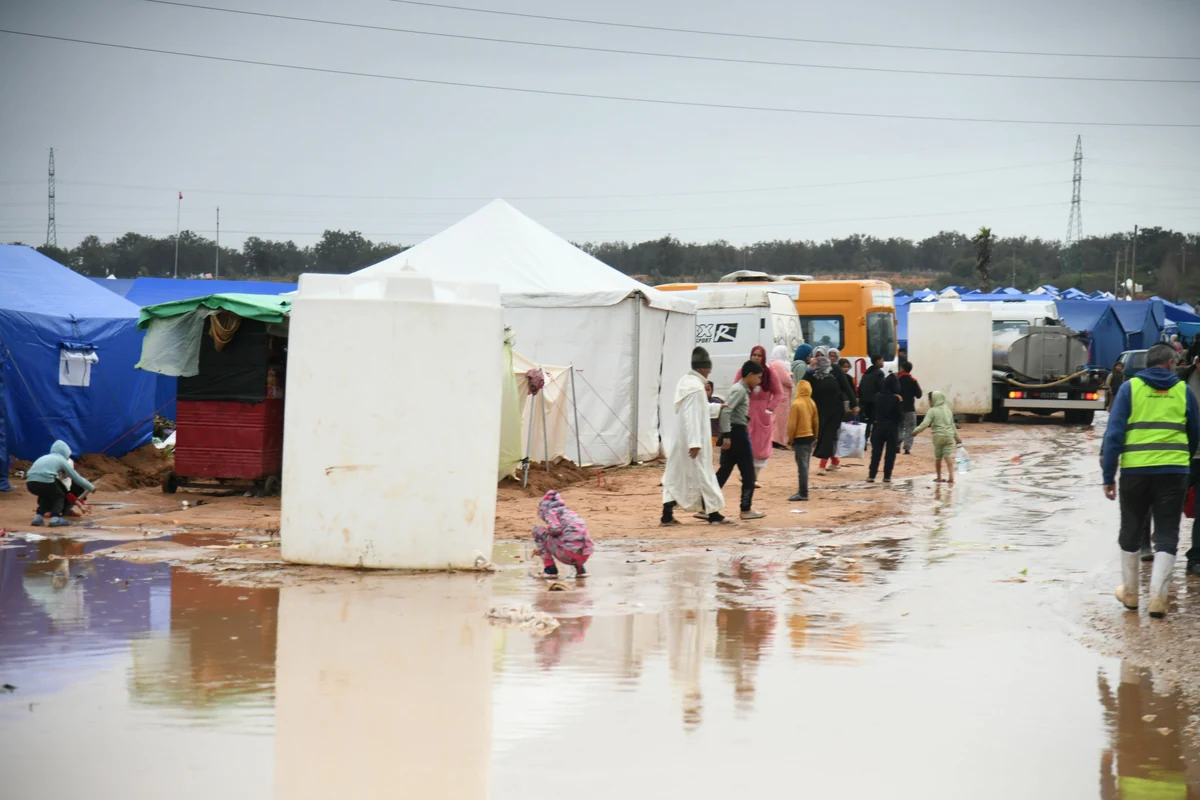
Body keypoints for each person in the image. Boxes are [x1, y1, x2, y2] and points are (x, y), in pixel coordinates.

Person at [1103, 343, 1200, 618]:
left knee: (1131, 529)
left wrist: (1108, 475)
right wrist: (1182, 460)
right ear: (1170, 363)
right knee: (1168, 533)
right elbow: (1194, 433)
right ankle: (1158, 599)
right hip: (1174, 472)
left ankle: (1131, 594)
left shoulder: (1129, 389)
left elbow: (1114, 434)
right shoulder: (1183, 390)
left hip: (1135, 472)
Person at [662, 347, 730, 526]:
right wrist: (694, 442)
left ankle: (667, 514)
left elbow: (700, 409)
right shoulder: (695, 388)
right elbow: (691, 416)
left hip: (682, 440)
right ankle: (713, 514)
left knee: (675, 475)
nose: (710, 372)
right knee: (703, 474)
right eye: (708, 368)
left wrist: (718, 407)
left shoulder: (688, 384)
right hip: (692, 442)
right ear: (702, 368)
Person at [716, 360, 766, 520]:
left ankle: (706, 505)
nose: (759, 381)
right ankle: (746, 509)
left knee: (724, 471)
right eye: (758, 377)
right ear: (750, 375)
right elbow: (726, 412)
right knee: (748, 472)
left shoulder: (740, 389)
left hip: (734, 432)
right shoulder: (739, 390)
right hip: (737, 434)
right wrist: (727, 435)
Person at [734, 346, 781, 484]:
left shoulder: (769, 373)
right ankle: (745, 473)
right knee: (745, 442)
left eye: (759, 355)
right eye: (754, 355)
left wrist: (770, 408)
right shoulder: (743, 371)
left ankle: (754, 476)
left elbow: (778, 392)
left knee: (761, 445)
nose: (756, 357)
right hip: (746, 411)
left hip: (762, 413)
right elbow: (735, 389)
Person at [25, 440, 94, 527]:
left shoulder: (44, 458)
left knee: (46, 496)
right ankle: (55, 518)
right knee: (59, 496)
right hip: (46, 481)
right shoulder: (61, 460)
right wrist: (91, 487)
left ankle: (38, 518)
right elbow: (76, 478)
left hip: (30, 483)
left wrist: (82, 504)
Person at [533, 490, 594, 577]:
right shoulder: (570, 513)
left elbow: (555, 529)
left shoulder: (550, 511)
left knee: (537, 530)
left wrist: (545, 545)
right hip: (585, 555)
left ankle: (550, 570)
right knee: (573, 539)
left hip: (568, 554)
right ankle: (581, 570)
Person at [805, 349, 846, 474]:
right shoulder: (812, 373)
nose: (819, 358)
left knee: (828, 435)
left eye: (822, 356)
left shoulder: (834, 370)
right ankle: (835, 461)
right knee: (824, 435)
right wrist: (810, 368)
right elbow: (803, 384)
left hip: (836, 409)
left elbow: (846, 386)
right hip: (820, 410)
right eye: (817, 356)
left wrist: (854, 405)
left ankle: (822, 465)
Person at [912, 391, 961, 483]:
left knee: (938, 458)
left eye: (930, 401)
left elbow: (925, 424)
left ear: (934, 400)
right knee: (948, 456)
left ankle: (939, 477)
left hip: (938, 437)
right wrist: (957, 438)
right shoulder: (948, 410)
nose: (929, 403)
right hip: (949, 436)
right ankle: (951, 477)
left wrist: (915, 431)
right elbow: (952, 425)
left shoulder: (932, 411)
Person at [868, 374, 904, 483]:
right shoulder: (896, 398)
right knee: (890, 453)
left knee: (876, 452)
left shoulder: (877, 396)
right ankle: (887, 476)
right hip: (892, 428)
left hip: (878, 426)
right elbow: (900, 416)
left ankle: (872, 475)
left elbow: (873, 411)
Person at [786, 380, 818, 502]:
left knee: (802, 467)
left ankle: (803, 493)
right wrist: (815, 436)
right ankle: (803, 490)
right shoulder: (812, 403)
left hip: (800, 438)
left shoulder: (796, 404)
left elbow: (792, 425)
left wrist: (791, 439)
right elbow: (816, 422)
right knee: (806, 465)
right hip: (810, 437)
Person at [769, 345, 796, 448]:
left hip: (782, 396)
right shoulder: (777, 365)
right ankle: (778, 440)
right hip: (781, 397)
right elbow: (786, 380)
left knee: (779, 420)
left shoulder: (777, 364)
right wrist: (790, 376)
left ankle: (779, 440)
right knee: (779, 421)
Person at [858, 355, 886, 446]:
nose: (883, 362)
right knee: (875, 422)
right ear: (877, 361)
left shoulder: (866, 373)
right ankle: (874, 441)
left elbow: (860, 388)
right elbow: (881, 388)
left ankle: (864, 440)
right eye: (882, 360)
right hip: (875, 402)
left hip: (864, 402)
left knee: (866, 422)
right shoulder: (879, 373)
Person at [897, 360, 923, 455]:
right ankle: (907, 448)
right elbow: (919, 395)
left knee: (899, 426)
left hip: (898, 408)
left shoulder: (897, 380)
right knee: (910, 427)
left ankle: (897, 445)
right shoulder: (913, 380)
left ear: (902, 368)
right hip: (910, 408)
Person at [828, 348, 859, 419]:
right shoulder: (825, 369)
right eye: (831, 356)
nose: (832, 358)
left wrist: (854, 401)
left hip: (843, 400)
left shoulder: (846, 376)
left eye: (834, 356)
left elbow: (849, 388)